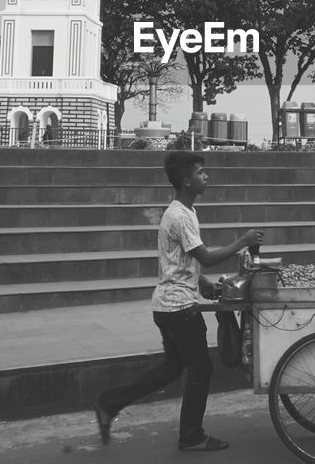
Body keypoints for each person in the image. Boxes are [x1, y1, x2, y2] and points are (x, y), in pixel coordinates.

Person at [93, 151, 262, 452]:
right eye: (200, 172)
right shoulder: (180, 216)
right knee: (201, 369)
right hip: (179, 309)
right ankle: (191, 436)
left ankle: (110, 403)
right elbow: (206, 258)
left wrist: (205, 284)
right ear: (187, 180)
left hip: (168, 305)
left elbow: (180, 260)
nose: (206, 176)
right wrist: (243, 241)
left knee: (172, 367)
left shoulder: (184, 211)